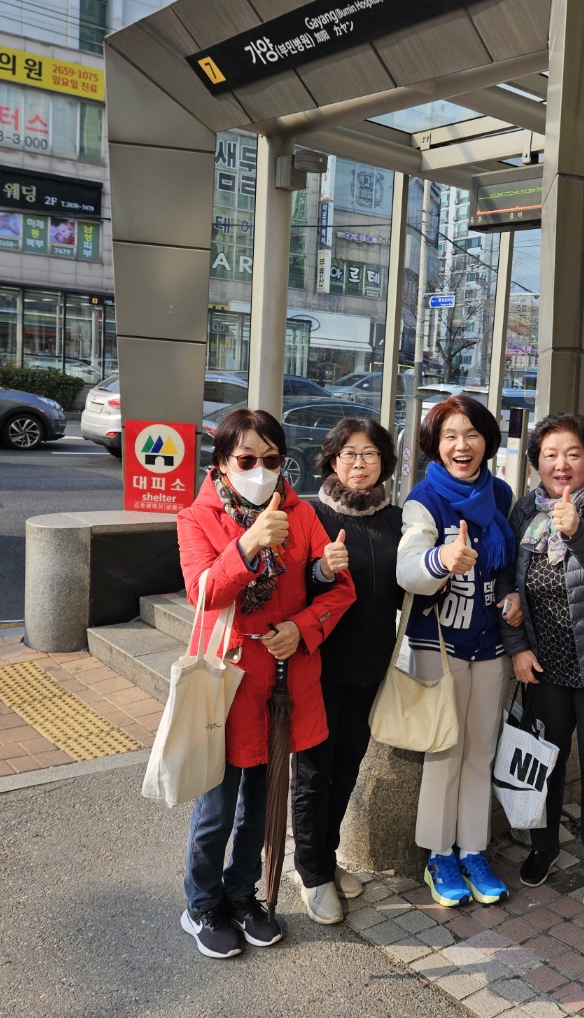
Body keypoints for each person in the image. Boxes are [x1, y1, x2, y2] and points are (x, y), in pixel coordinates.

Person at [175, 408, 355, 959]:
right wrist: (249, 544)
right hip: (226, 685)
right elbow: (203, 592)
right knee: (216, 808)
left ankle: (241, 894)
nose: (260, 470)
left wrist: (302, 626)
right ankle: (201, 904)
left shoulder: (303, 514)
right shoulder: (197, 517)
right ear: (222, 462)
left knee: (262, 804)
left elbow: (338, 589)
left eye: (271, 459)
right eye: (246, 459)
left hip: (281, 685)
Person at [500, 413, 584, 909]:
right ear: (536, 463)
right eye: (550, 455)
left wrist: (578, 530)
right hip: (545, 668)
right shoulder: (523, 511)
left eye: (573, 454)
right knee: (545, 765)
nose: (561, 464)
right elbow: (506, 582)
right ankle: (544, 847)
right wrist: (517, 647)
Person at [397, 394, 516, 908]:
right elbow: (408, 570)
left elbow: (509, 563)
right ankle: (438, 855)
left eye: (471, 434)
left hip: (491, 646)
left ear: (487, 441)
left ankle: (473, 850)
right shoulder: (424, 499)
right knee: (444, 752)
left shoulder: (502, 493)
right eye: (450, 436)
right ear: (435, 444)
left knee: (480, 752)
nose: (461, 445)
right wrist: (442, 558)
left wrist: (513, 596)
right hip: (440, 646)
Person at [292, 416, 403, 926]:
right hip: (318, 667)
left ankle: (326, 857)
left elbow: (408, 591)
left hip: (370, 668)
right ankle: (312, 873)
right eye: (349, 454)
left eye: (370, 454)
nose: (360, 463)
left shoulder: (395, 519)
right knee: (314, 773)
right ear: (332, 460)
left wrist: (443, 571)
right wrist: (321, 570)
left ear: (384, 461)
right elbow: (290, 588)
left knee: (348, 768)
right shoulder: (310, 514)